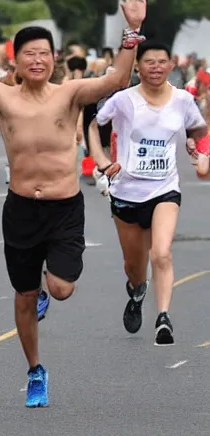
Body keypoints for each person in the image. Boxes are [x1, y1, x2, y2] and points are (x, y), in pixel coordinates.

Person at [0, 0, 146, 407]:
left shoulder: (71, 94)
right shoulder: (2, 96)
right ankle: (35, 370)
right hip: (22, 208)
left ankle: (51, 288)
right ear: (18, 61)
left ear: (54, 59)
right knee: (25, 296)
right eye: (29, 53)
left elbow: (118, 78)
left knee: (61, 288)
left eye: (44, 52)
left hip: (64, 208)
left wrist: (131, 30)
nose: (37, 59)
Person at [88, 40, 208, 346]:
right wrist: (102, 161)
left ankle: (163, 317)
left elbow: (199, 129)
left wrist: (197, 147)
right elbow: (93, 125)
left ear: (171, 66)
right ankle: (138, 290)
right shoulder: (124, 100)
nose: (156, 67)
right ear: (137, 67)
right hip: (127, 192)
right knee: (134, 267)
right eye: (149, 62)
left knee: (162, 252)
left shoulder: (182, 100)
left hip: (164, 188)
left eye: (162, 62)